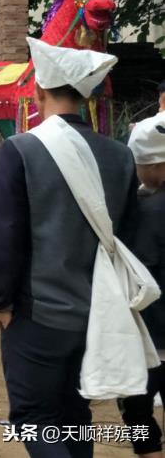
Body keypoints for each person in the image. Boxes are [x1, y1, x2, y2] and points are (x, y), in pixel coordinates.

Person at [0, 38, 139, 457]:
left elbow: (6, 236)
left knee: (33, 418)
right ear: (86, 96)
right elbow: (127, 238)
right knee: (74, 414)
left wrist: (0, 301)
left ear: (38, 90)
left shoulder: (21, 149)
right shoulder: (120, 156)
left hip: (38, 312)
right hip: (98, 310)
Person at [120, 111, 165, 458]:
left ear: (158, 167)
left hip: (155, 327)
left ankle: (148, 450)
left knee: (136, 400)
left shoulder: (147, 212)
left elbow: (141, 268)